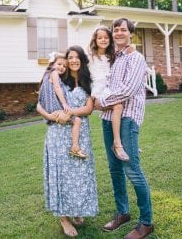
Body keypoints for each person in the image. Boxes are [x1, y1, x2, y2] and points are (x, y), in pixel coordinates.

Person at [94, 18, 154, 239]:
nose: (118, 33)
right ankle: (123, 213)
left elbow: (128, 90)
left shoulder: (136, 58)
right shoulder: (114, 59)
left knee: (132, 171)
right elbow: (104, 83)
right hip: (108, 119)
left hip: (128, 118)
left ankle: (146, 222)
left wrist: (101, 102)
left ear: (131, 33)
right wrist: (101, 103)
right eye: (115, 30)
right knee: (114, 169)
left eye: (123, 30)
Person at [37, 45, 98, 238]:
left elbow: (88, 109)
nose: (72, 61)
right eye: (69, 57)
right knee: (61, 175)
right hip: (57, 133)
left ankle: (76, 209)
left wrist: (68, 112)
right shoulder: (59, 77)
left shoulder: (89, 81)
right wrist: (52, 116)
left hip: (80, 133)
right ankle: (64, 218)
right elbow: (39, 103)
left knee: (80, 173)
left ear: (82, 59)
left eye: (76, 57)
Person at [89, 26, 135, 161]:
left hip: (108, 89)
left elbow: (126, 50)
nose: (103, 40)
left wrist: (132, 47)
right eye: (100, 38)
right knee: (118, 106)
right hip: (98, 90)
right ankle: (117, 144)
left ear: (110, 39)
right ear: (95, 40)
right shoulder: (90, 57)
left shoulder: (112, 56)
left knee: (121, 108)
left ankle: (125, 144)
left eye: (106, 37)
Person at [39, 52, 87, 159]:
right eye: (59, 64)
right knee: (77, 121)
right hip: (55, 108)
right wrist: (64, 103)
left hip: (50, 110)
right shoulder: (54, 73)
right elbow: (57, 88)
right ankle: (75, 147)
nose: (62, 67)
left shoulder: (46, 76)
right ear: (52, 64)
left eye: (64, 66)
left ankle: (74, 148)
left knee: (72, 121)